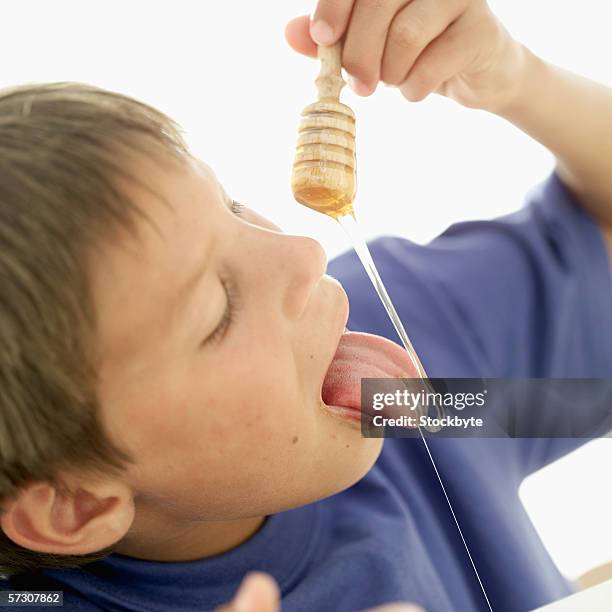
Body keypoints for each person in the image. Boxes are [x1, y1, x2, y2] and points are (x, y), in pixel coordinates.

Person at [0, 0, 610, 610]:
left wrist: (518, 78)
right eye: (219, 308)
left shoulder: (400, 386)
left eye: (234, 207)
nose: (303, 253)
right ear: (75, 504)